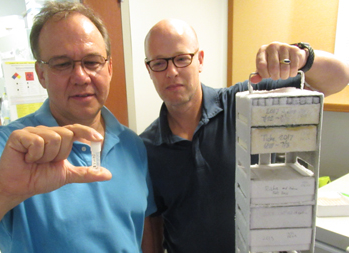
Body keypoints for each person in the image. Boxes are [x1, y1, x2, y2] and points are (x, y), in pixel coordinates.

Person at [140, 18, 349, 252]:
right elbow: (153, 222)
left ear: (199, 60)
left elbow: (339, 79)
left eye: (181, 59)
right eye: (159, 63)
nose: (172, 72)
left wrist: (303, 57)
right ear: (149, 69)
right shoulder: (145, 147)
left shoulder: (243, 104)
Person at [0, 2, 156, 252]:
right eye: (62, 64)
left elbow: (142, 228)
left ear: (109, 68)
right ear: (41, 74)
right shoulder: (8, 147)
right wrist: (1, 188)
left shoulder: (133, 145)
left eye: (92, 61)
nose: (80, 76)